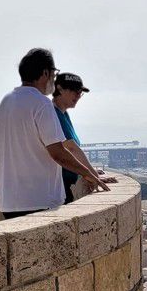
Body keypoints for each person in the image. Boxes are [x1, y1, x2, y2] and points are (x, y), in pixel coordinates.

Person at [0, 48, 109, 218]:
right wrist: (89, 175)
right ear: (45, 73)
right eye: (54, 75)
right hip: (39, 201)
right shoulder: (41, 103)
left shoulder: (6, 101)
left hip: (9, 202)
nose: (54, 81)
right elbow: (58, 153)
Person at [51, 72, 114, 203]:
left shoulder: (63, 114)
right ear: (59, 89)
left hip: (68, 183)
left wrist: (91, 173)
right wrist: (94, 176)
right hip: (61, 187)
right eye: (74, 90)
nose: (78, 95)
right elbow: (71, 148)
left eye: (80, 92)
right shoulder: (53, 114)